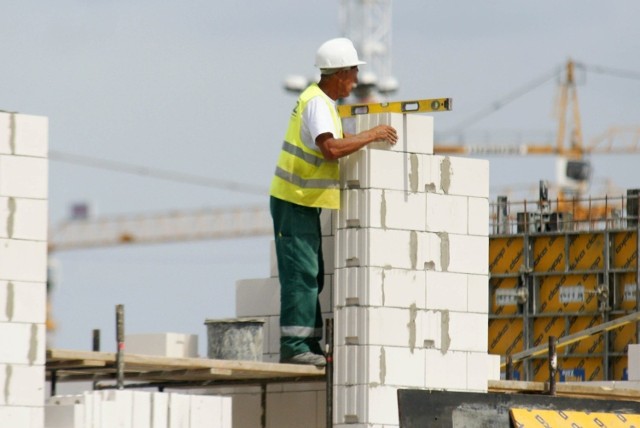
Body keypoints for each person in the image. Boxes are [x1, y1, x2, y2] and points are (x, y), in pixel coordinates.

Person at [269, 38, 398, 366]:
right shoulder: (318, 104)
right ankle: (295, 346)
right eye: (353, 73)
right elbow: (331, 148)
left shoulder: (320, 101)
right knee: (302, 273)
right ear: (339, 74)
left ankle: (306, 344)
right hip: (294, 200)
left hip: (302, 201)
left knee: (312, 273)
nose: (355, 81)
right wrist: (372, 135)